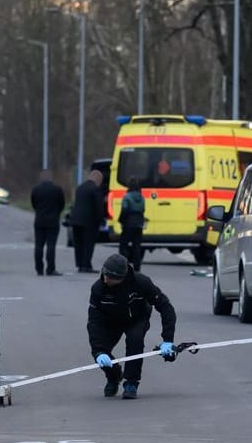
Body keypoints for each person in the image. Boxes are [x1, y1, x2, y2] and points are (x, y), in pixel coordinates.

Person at [87, 254, 177, 399]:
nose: (106, 279)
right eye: (105, 275)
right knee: (100, 351)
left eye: (110, 277)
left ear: (121, 277)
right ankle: (114, 376)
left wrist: (168, 340)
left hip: (137, 318)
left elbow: (166, 308)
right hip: (110, 321)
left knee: (135, 340)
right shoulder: (98, 288)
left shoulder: (142, 282)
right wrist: (98, 351)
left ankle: (131, 382)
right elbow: (93, 322)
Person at [30, 170, 66, 276]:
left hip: (39, 220)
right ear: (51, 178)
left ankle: (39, 269)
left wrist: (40, 211)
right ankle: (50, 269)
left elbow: (34, 203)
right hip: (53, 221)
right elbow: (62, 204)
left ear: (41, 177)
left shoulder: (36, 189)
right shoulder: (57, 189)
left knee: (38, 245)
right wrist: (56, 212)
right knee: (51, 246)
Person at [72, 170, 105, 273]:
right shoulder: (95, 189)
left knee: (79, 243)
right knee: (88, 244)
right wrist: (101, 220)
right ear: (98, 179)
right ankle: (86, 265)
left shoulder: (79, 188)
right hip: (89, 221)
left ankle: (80, 264)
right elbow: (98, 207)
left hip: (76, 220)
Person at [118, 177, 146, 272]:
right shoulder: (141, 197)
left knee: (123, 245)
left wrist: (121, 220)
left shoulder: (127, 197)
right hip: (139, 224)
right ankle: (137, 267)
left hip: (128, 224)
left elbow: (124, 210)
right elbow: (143, 210)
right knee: (137, 246)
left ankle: (124, 265)